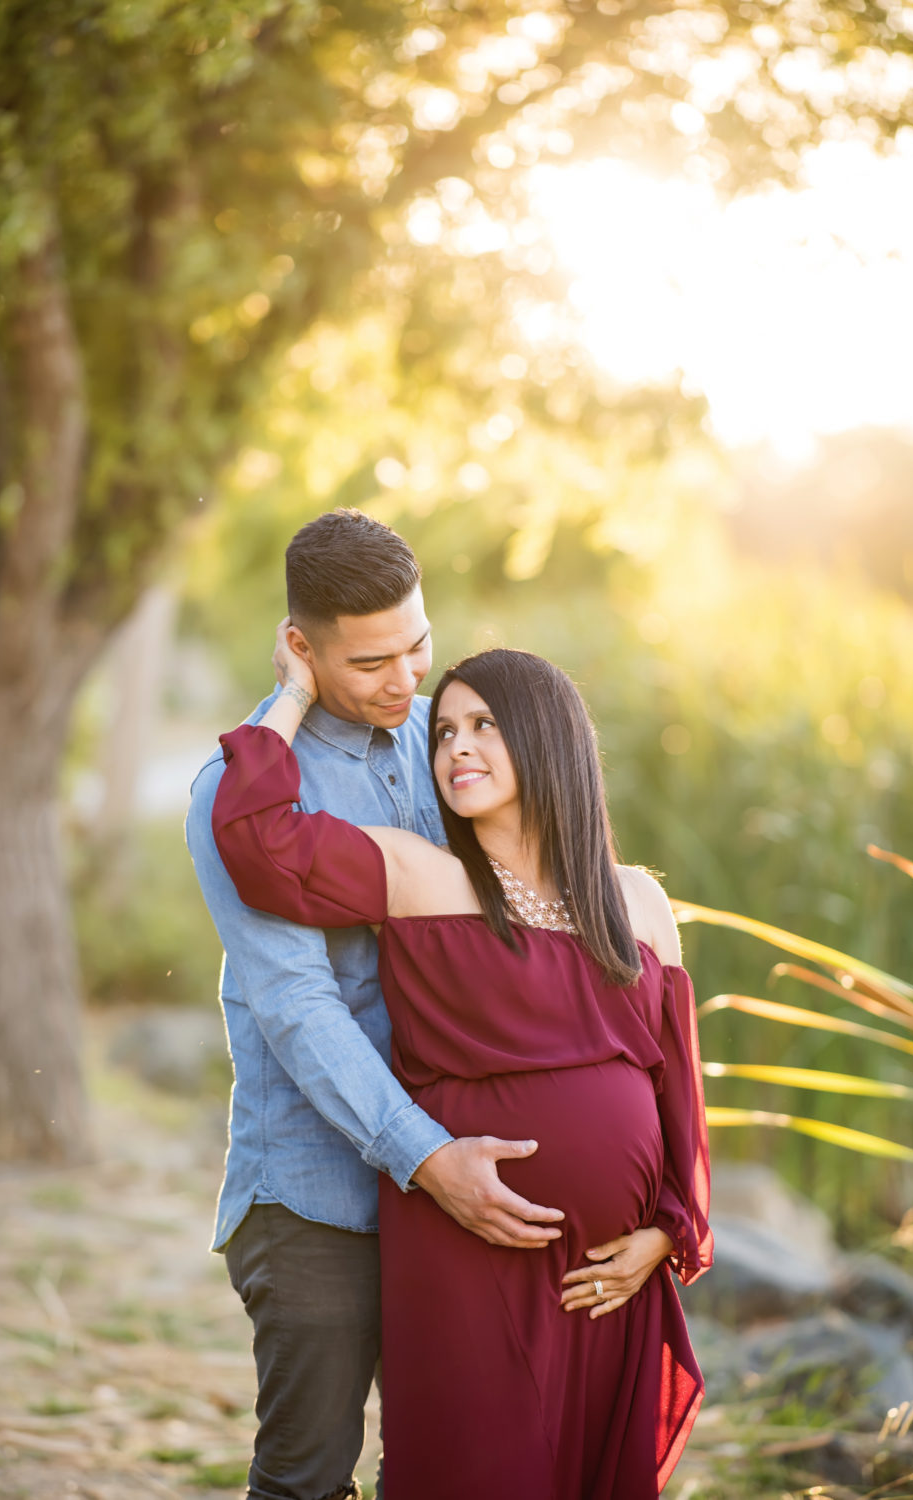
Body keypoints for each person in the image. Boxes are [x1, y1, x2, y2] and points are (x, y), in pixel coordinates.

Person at [186, 510, 676, 1500]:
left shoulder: (447, 733)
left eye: (418, 645)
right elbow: (296, 1006)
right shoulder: (236, 790)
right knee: (309, 1476)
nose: (407, 682)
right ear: (299, 648)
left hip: (476, 1207)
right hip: (326, 1192)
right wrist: (425, 1158)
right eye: (370, 663)